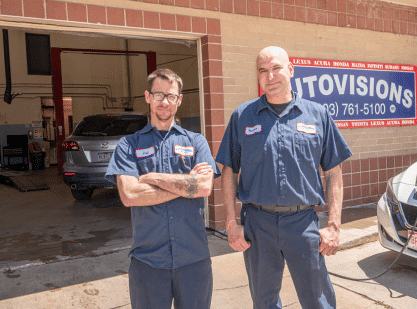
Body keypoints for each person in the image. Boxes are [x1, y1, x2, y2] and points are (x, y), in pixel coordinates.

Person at [216, 46, 353, 308]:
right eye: (263, 71)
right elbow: (229, 171)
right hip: (257, 223)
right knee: (264, 301)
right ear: (257, 76)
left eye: (276, 68)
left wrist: (334, 225)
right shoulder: (242, 116)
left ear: (290, 70)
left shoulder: (318, 115)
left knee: (318, 300)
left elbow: (334, 173)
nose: (270, 76)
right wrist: (231, 224)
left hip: (303, 223)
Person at [105, 68, 220, 309]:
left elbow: (204, 187)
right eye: (158, 95)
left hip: (193, 260)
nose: (164, 102)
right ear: (148, 97)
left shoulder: (196, 141)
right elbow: (129, 195)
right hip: (148, 263)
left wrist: (153, 177)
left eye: (170, 96)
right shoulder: (128, 145)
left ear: (179, 100)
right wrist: (186, 184)